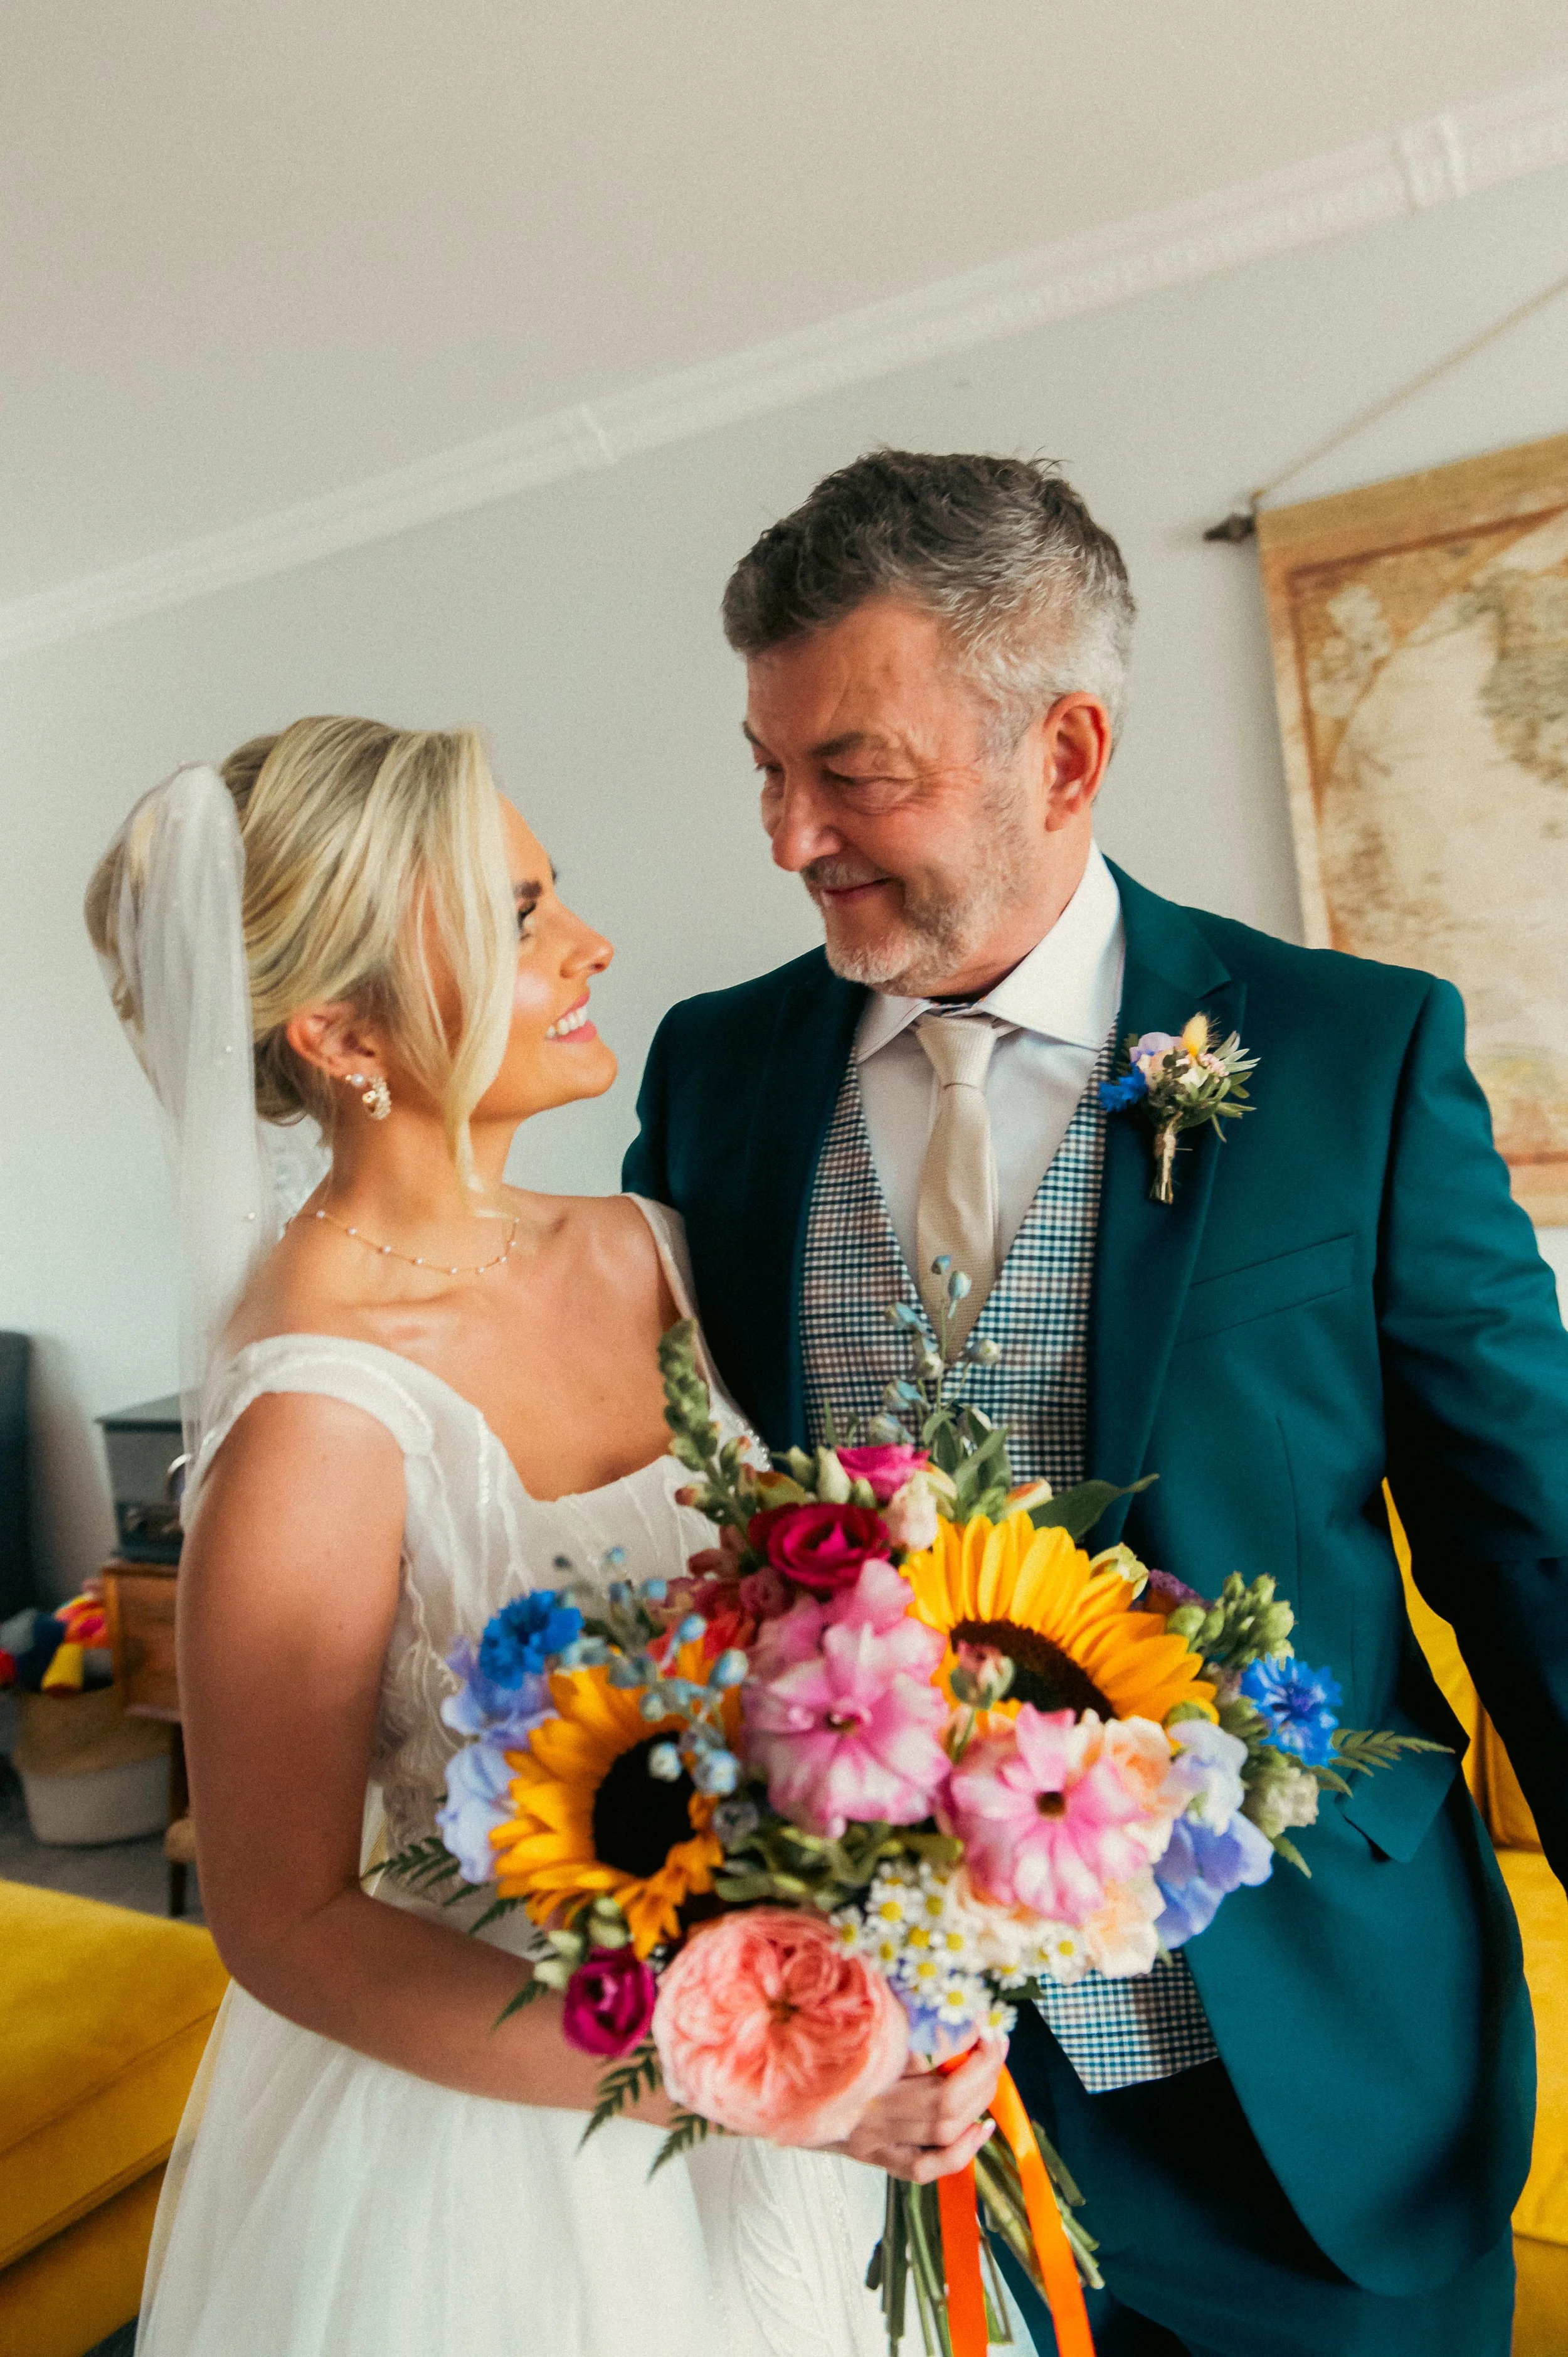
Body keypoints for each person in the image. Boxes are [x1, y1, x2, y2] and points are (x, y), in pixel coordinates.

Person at [622, 450, 1568, 2356]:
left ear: (1063, 754)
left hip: (1313, 2091)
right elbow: (681, 1520)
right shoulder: (714, 1074)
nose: (789, 833)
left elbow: (1529, 1532)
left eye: (851, 771)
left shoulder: (1346, 1053)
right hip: (882, 2124)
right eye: (766, 764)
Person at [85, 717, 1007, 2357]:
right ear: (341, 1029)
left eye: (553, 890)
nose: (592, 942)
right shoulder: (314, 1413)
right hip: (528, 2157)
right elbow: (284, 1920)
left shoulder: (656, 1243)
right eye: (516, 917)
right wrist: (737, 2079)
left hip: (819, 2070)